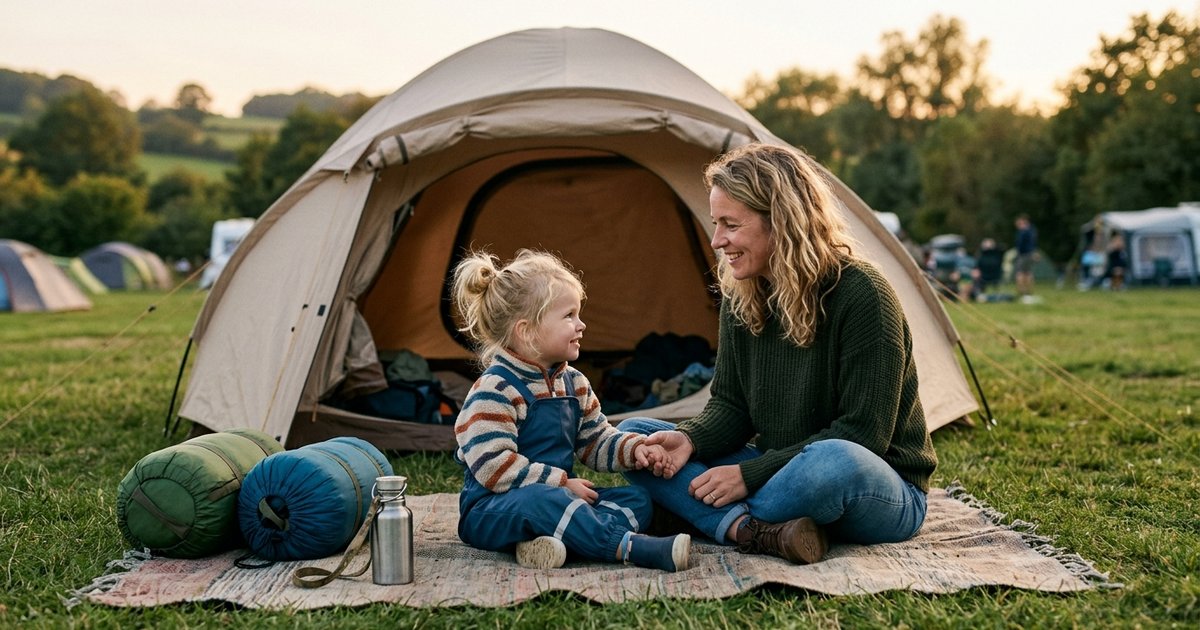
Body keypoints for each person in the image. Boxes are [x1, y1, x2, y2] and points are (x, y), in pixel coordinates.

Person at [619, 143, 937, 566]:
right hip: (780, 467)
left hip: (876, 484)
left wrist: (748, 476)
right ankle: (758, 530)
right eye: (716, 224)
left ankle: (697, 515)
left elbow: (863, 435)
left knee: (831, 462)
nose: (717, 241)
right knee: (638, 437)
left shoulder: (862, 294)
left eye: (730, 225)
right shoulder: (742, 293)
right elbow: (731, 407)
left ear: (781, 222)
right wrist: (689, 440)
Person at [451, 249, 690, 572]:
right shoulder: (494, 389)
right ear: (527, 331)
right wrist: (561, 484)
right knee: (544, 502)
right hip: (492, 508)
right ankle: (626, 546)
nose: (581, 324)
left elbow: (596, 441)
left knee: (638, 500)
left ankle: (556, 540)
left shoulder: (574, 383)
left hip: (558, 499)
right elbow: (494, 466)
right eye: (569, 316)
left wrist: (636, 449)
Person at [1014, 215, 1038, 300]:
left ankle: (1022, 292)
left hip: (1023, 255)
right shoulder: (1032, 231)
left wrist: (1018, 253)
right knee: (1028, 273)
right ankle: (1029, 292)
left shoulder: (1022, 232)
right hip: (1030, 254)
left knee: (1020, 273)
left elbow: (1019, 245)